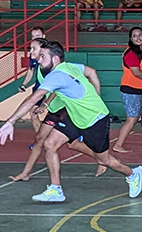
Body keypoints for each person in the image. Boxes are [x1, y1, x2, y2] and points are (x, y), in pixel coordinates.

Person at [0, 41, 142, 203]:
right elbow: (90, 72)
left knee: (104, 160)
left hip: (95, 119)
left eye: (43, 57)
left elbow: (32, 100)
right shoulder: (69, 66)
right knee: (50, 144)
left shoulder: (56, 75)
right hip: (75, 116)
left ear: (55, 59)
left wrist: (10, 121)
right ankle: (55, 189)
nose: (39, 59)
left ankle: (133, 174)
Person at [9, 38, 108, 182]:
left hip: (62, 109)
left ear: (45, 52)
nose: (31, 52)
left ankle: (102, 160)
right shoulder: (40, 67)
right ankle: (26, 173)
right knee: (47, 141)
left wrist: (46, 103)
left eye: (34, 49)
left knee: (51, 141)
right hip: (54, 109)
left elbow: (59, 86)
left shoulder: (56, 68)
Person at [113, 27, 142, 154]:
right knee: (132, 118)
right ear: (130, 38)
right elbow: (138, 73)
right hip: (130, 91)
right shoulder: (130, 54)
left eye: (140, 35)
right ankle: (118, 145)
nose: (138, 38)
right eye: (135, 36)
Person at [18, 27, 49, 134]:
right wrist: (24, 84)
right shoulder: (33, 54)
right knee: (33, 113)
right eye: (33, 36)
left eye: (38, 36)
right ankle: (40, 139)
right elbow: (30, 71)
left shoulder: (51, 54)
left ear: (44, 36)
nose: (35, 38)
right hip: (39, 88)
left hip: (52, 89)